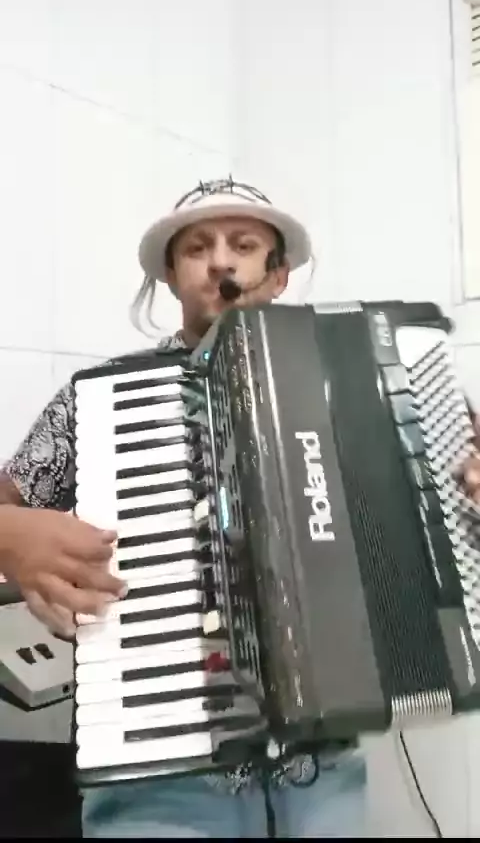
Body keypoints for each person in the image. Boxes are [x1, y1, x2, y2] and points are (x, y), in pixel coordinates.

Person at [0, 177, 478, 838]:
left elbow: (448, 524)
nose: (220, 261)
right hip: (160, 780)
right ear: (171, 276)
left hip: (324, 777)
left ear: (278, 276)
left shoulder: (362, 380)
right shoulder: (105, 403)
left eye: (244, 245)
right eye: (197, 248)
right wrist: (11, 534)